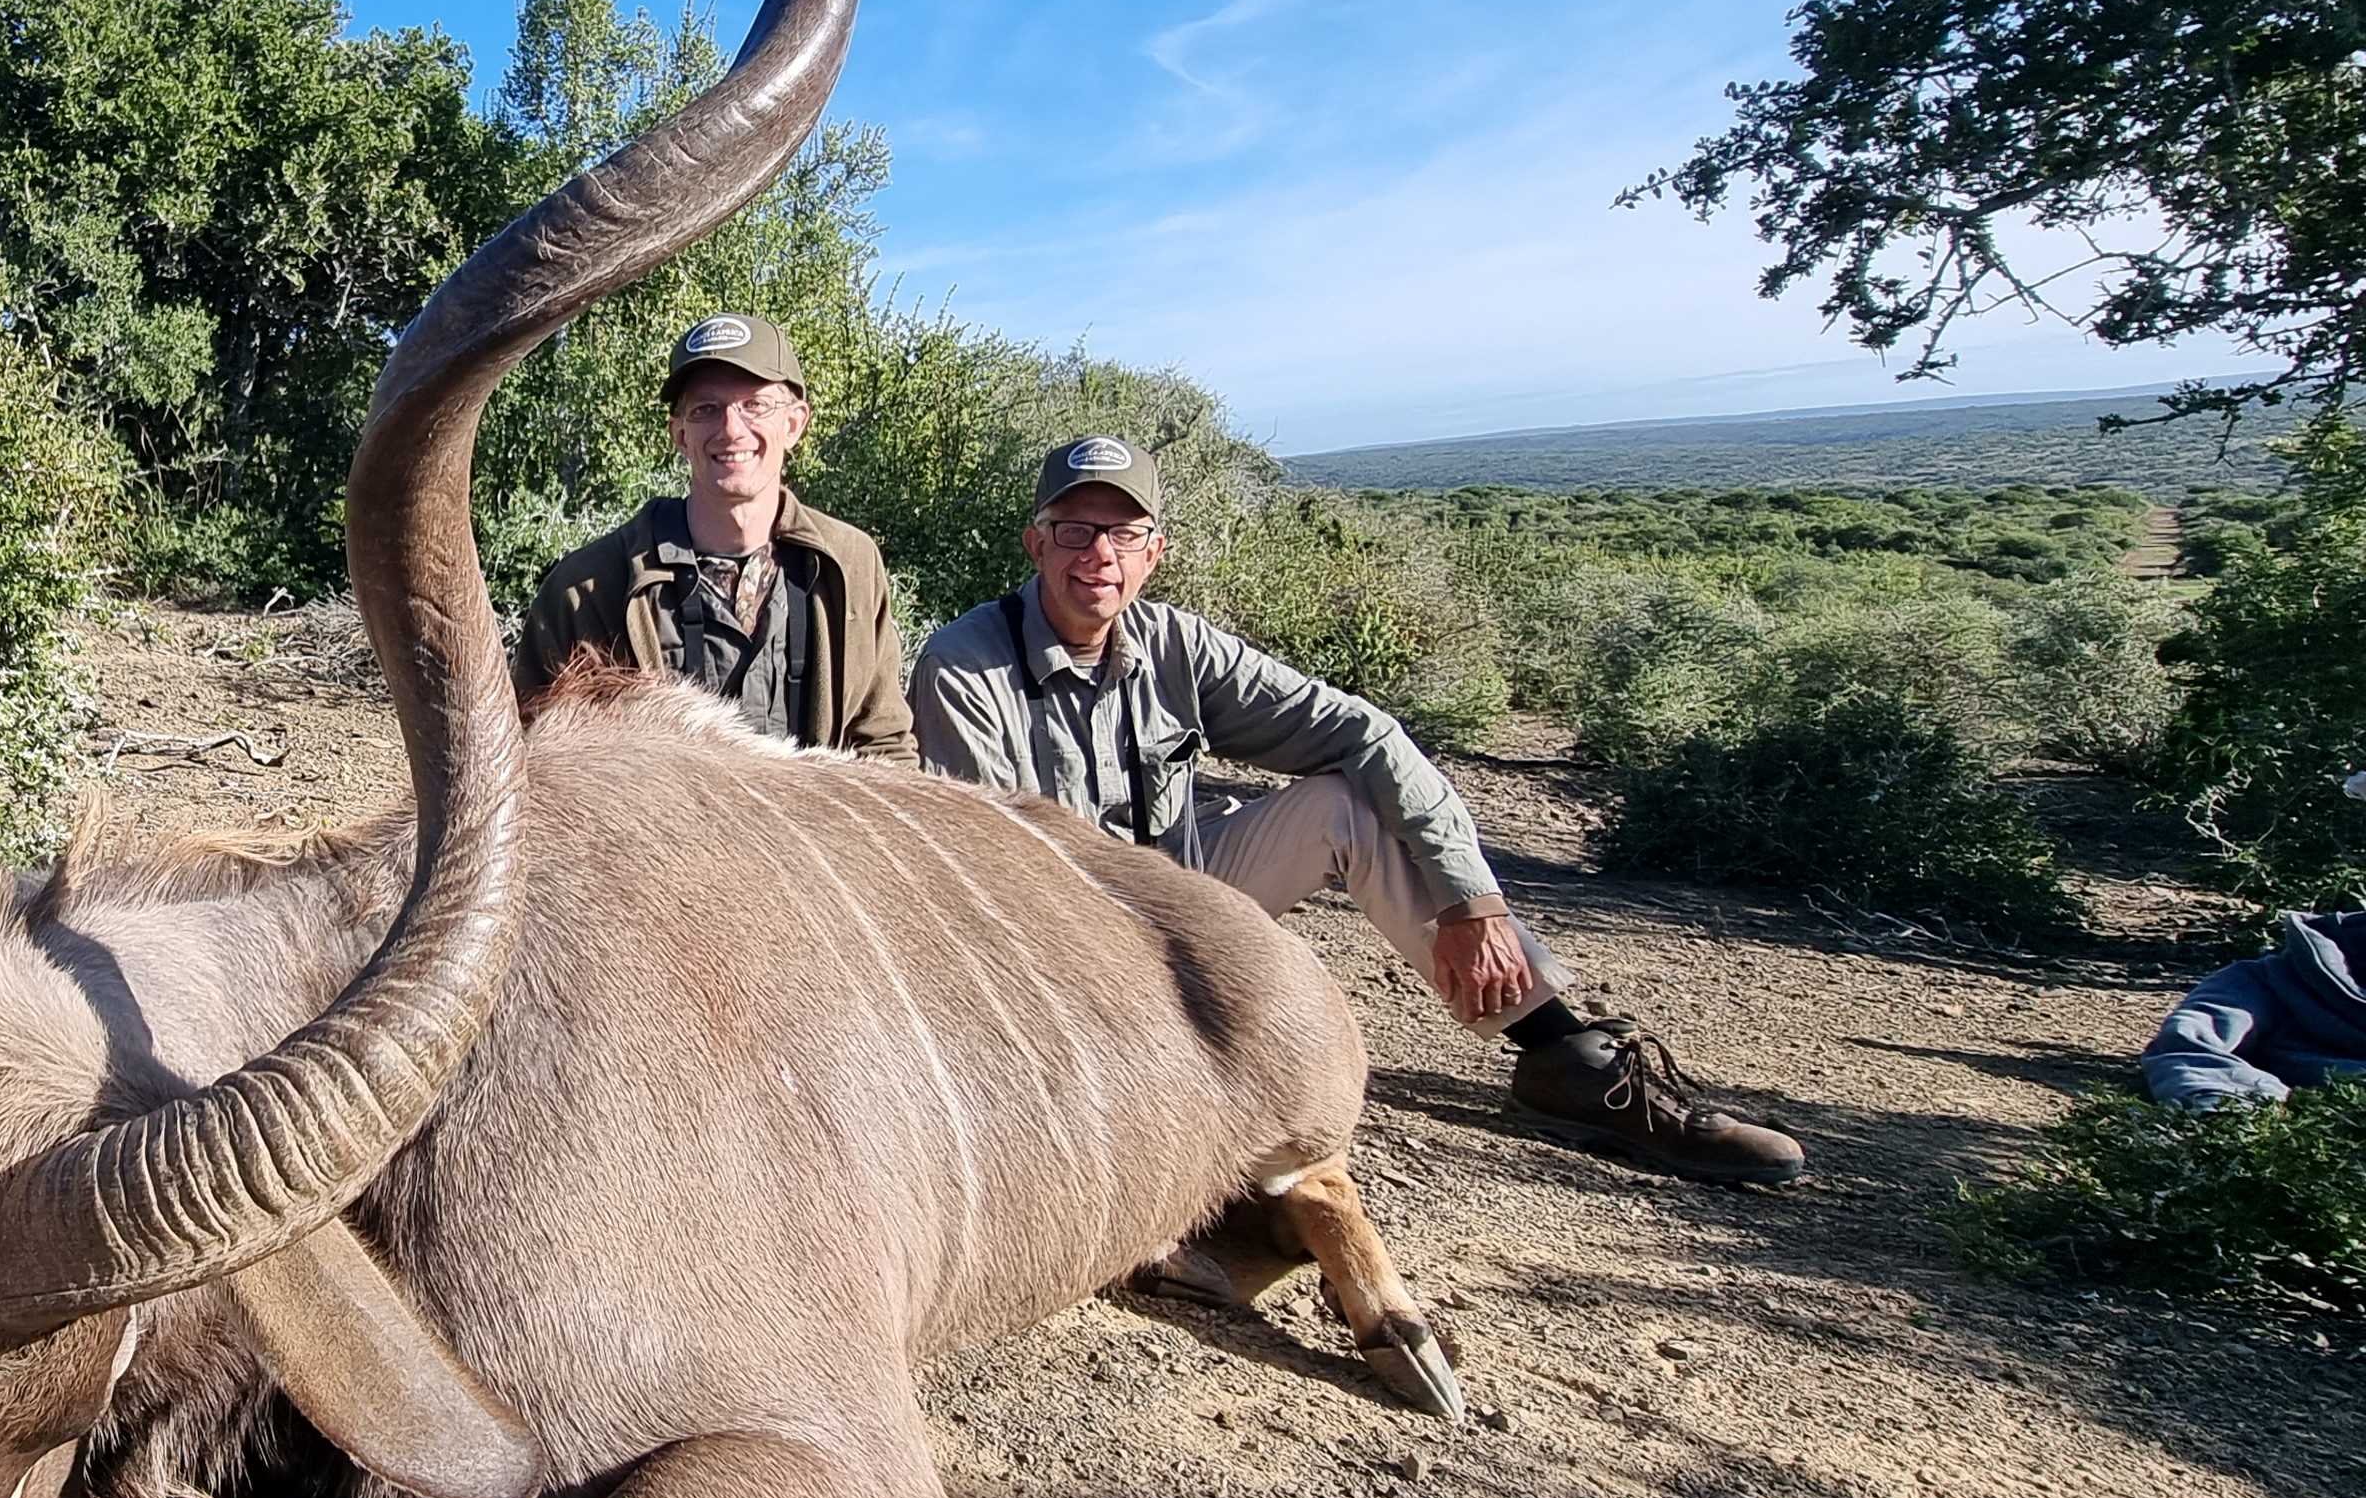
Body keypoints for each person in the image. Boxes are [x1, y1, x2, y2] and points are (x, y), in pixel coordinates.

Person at [909, 435, 1804, 1187]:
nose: (1096, 554)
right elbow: (1004, 875)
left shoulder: (1176, 643)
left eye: (1123, 532)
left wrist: (1470, 902)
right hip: (1057, 936)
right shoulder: (966, 662)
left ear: (1155, 552)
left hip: (1178, 899)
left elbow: (1364, 734)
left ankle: (1562, 1055)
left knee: (1347, 804)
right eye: (1074, 529)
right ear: (1034, 544)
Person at [511, 312, 915, 760]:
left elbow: (883, 746)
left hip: (816, 828)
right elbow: (537, 762)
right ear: (679, 434)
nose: (731, 429)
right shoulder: (586, 588)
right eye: (706, 409)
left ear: (795, 424)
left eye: (755, 405)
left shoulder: (849, 564)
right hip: (658, 830)